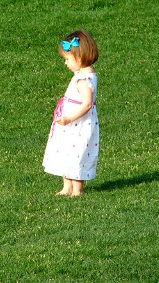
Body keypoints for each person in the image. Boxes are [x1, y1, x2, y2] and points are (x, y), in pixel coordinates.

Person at [42, 30, 99, 196]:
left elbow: (87, 103)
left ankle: (77, 190)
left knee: (77, 153)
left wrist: (68, 118)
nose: (65, 63)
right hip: (73, 122)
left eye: (67, 59)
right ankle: (67, 187)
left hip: (78, 123)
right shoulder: (84, 74)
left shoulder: (83, 80)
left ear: (79, 58)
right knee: (66, 150)